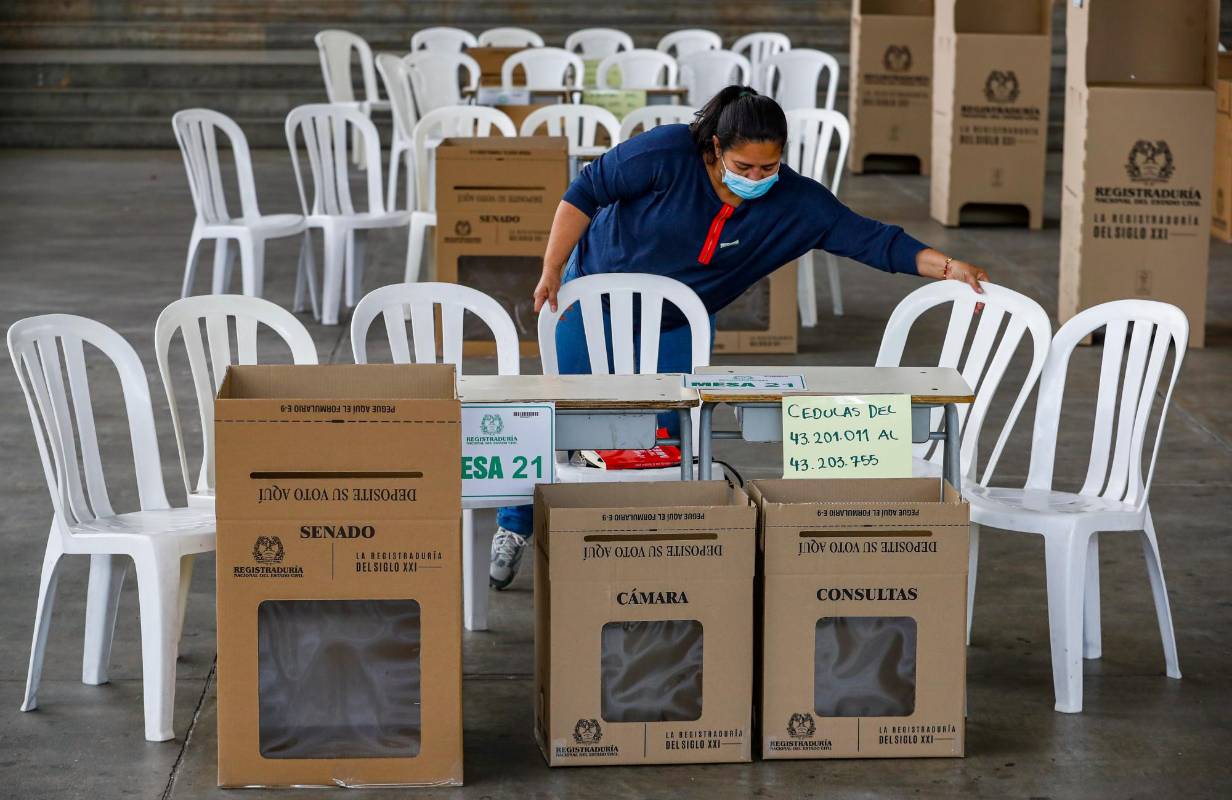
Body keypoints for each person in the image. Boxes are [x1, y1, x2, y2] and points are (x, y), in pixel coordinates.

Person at [489, 85, 990, 589]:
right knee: (559, 419)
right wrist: (552, 268)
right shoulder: (664, 154)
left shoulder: (796, 204)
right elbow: (584, 191)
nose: (755, 178)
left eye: (767, 169)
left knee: (663, 440)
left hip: (672, 325)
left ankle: (641, 544)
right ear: (714, 149)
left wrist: (947, 267)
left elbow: (874, 240)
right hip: (589, 298)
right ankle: (514, 528)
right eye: (743, 167)